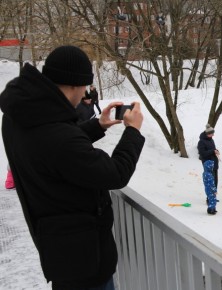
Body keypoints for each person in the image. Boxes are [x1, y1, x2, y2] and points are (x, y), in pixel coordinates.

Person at [0, 45, 145, 290]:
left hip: (59, 246)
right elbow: (115, 173)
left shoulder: (20, 116)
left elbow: (54, 151)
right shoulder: (56, 134)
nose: (86, 92)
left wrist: (97, 125)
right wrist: (133, 131)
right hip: (83, 260)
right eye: (86, 86)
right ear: (75, 85)